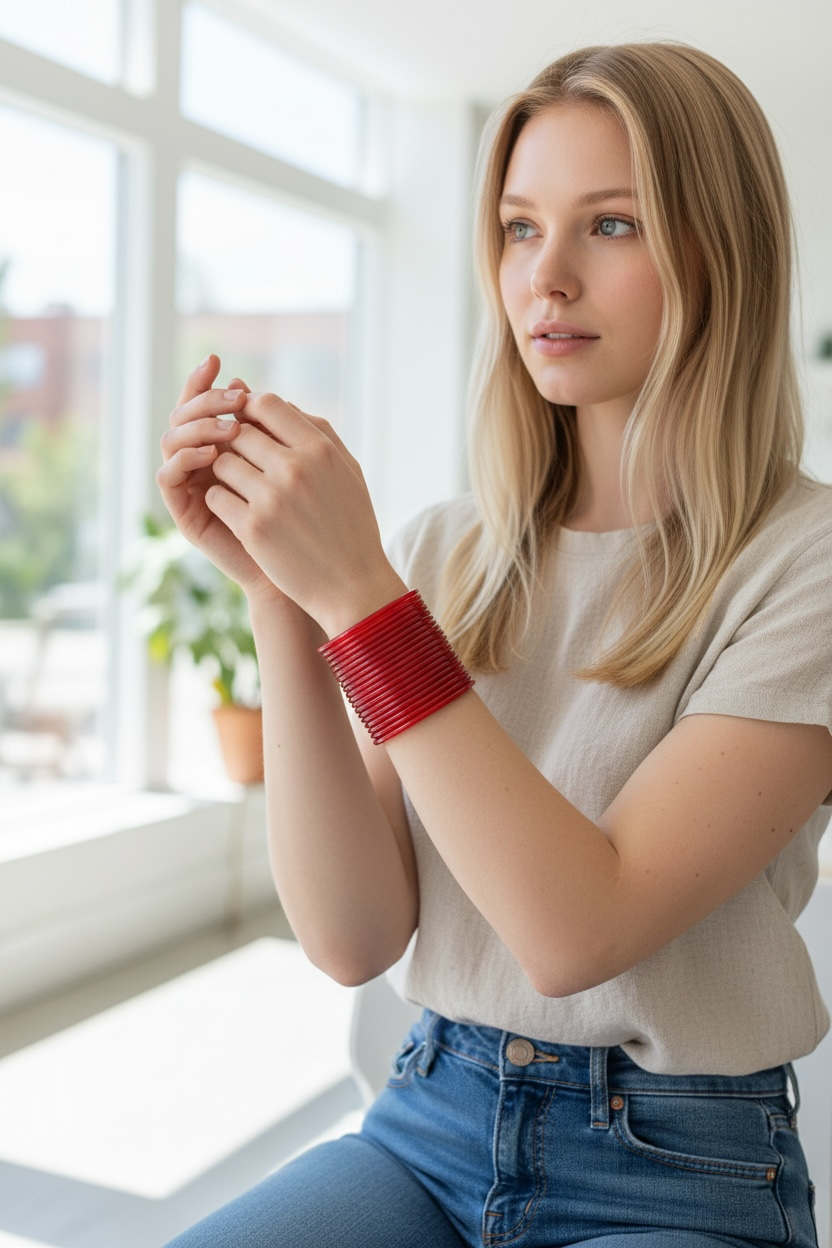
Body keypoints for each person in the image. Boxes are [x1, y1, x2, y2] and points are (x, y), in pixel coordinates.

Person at [158, 41, 832, 1248]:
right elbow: (353, 935)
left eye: (610, 225)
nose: (547, 278)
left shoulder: (804, 563)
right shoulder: (443, 550)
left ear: (720, 251)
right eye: (520, 228)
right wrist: (279, 598)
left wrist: (362, 602)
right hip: (428, 1121)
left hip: (678, 1169)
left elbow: (579, 930)